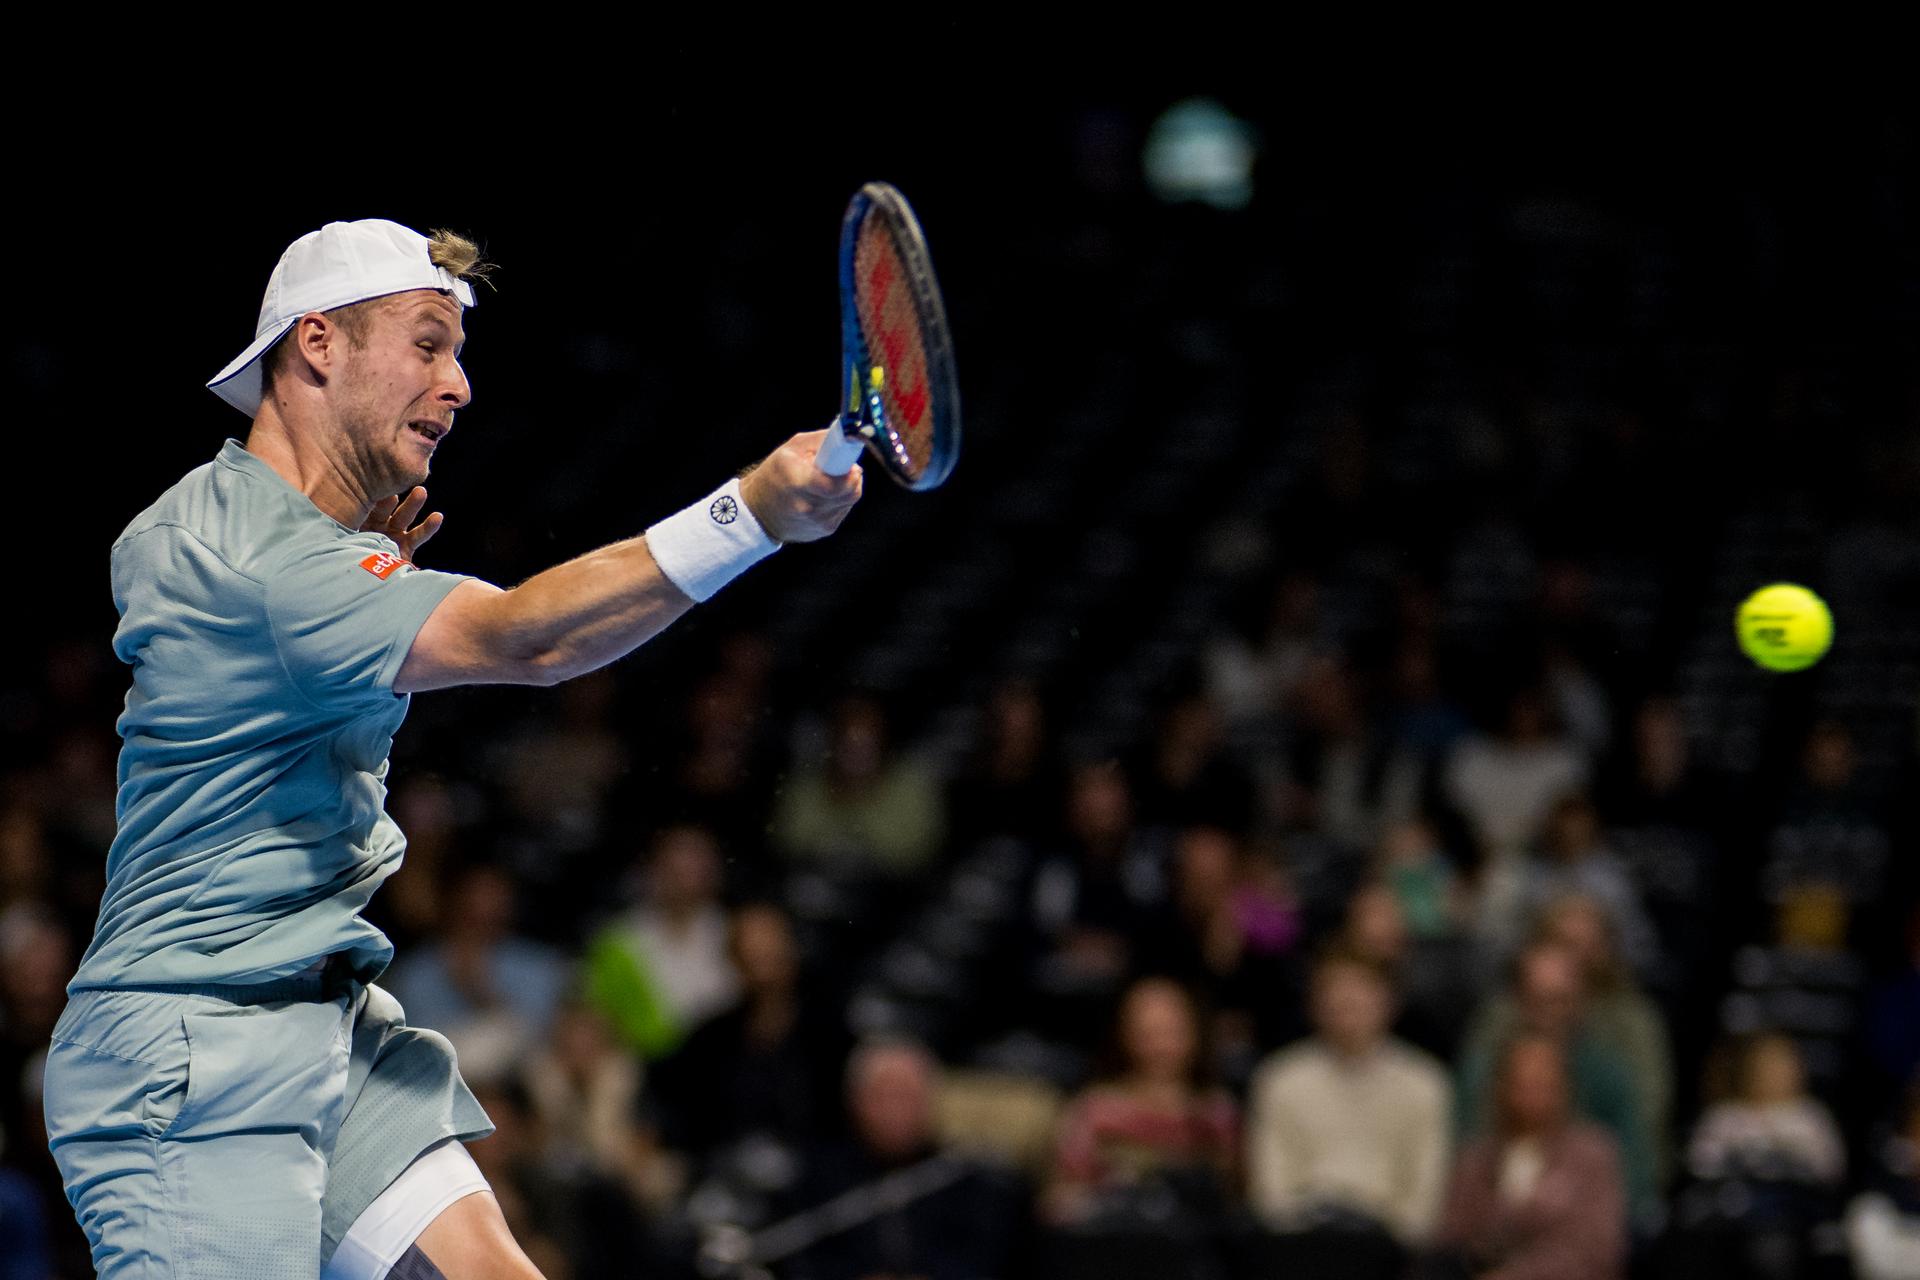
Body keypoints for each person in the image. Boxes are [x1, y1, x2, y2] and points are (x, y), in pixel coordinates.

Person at [41, 219, 861, 1280]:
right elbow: (532, 635)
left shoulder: (259, 535)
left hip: (327, 1026)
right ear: (319, 343)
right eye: (428, 344)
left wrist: (353, 561)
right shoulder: (254, 562)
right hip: (193, 1067)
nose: (460, 384)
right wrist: (749, 512)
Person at [1246, 949, 1450, 1248]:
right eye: (1335, 991)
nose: (1347, 1001)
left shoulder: (1424, 1084)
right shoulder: (1279, 1080)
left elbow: (1422, 1202)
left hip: (1391, 1252)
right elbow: (1271, 1194)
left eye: (1361, 990)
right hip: (1299, 1248)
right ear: (1315, 1003)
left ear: (1389, 1001)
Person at [1428, 1032, 1627, 1280]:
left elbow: (1595, 1251)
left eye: (1543, 1081)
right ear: (1501, 1086)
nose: (1532, 1092)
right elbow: (1450, 1239)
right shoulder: (1476, 1158)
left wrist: (1515, 1275)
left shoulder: (1592, 1156)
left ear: (1564, 1085)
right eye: (1521, 1081)